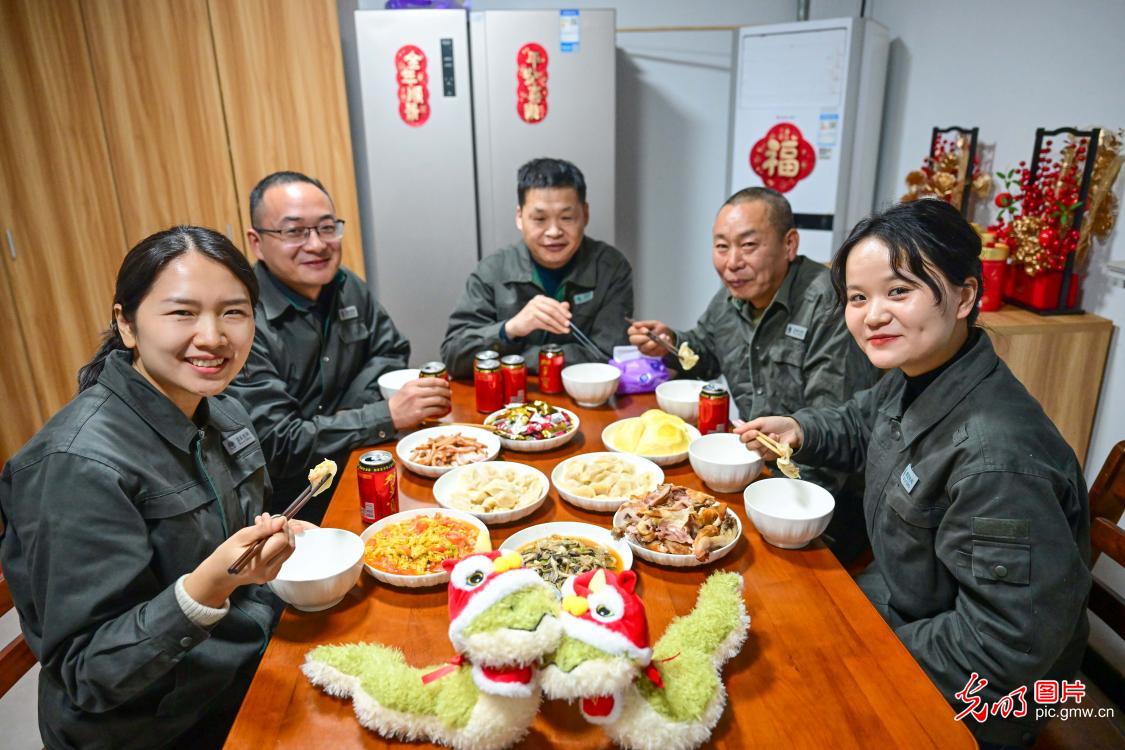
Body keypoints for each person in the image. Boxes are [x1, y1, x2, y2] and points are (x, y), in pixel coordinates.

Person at [737, 199, 1090, 748]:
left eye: (898, 291)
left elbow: (1002, 646)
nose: (873, 314)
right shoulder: (923, 369)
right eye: (858, 297)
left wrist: (862, 645)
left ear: (966, 295)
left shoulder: (998, 458)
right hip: (907, 606)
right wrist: (801, 428)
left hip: (979, 695)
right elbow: (863, 420)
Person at [0, 227, 305, 750]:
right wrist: (206, 587)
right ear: (127, 324)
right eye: (182, 313)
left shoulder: (222, 411)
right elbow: (88, 673)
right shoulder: (74, 465)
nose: (212, 337)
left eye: (233, 311)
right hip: (156, 727)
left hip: (234, 674)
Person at [628, 187, 876, 562]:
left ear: (789, 243)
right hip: (753, 474)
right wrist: (672, 343)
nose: (732, 262)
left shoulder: (827, 303)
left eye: (748, 245)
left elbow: (835, 425)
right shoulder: (733, 296)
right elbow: (705, 353)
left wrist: (772, 508)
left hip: (817, 508)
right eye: (721, 246)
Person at [228, 171, 450, 520]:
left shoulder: (347, 285)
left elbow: (391, 351)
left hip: (365, 460)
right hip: (292, 507)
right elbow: (278, 444)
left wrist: (345, 416)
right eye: (295, 231)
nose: (317, 244)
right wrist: (381, 414)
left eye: (327, 227)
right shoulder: (241, 320)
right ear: (257, 243)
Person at [441, 157, 634, 377]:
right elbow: (453, 356)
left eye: (567, 217)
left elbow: (608, 356)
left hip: (586, 403)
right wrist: (510, 329)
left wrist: (515, 359)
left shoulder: (610, 268)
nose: (554, 232)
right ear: (520, 217)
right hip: (508, 404)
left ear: (585, 214)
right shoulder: (492, 271)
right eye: (540, 219)